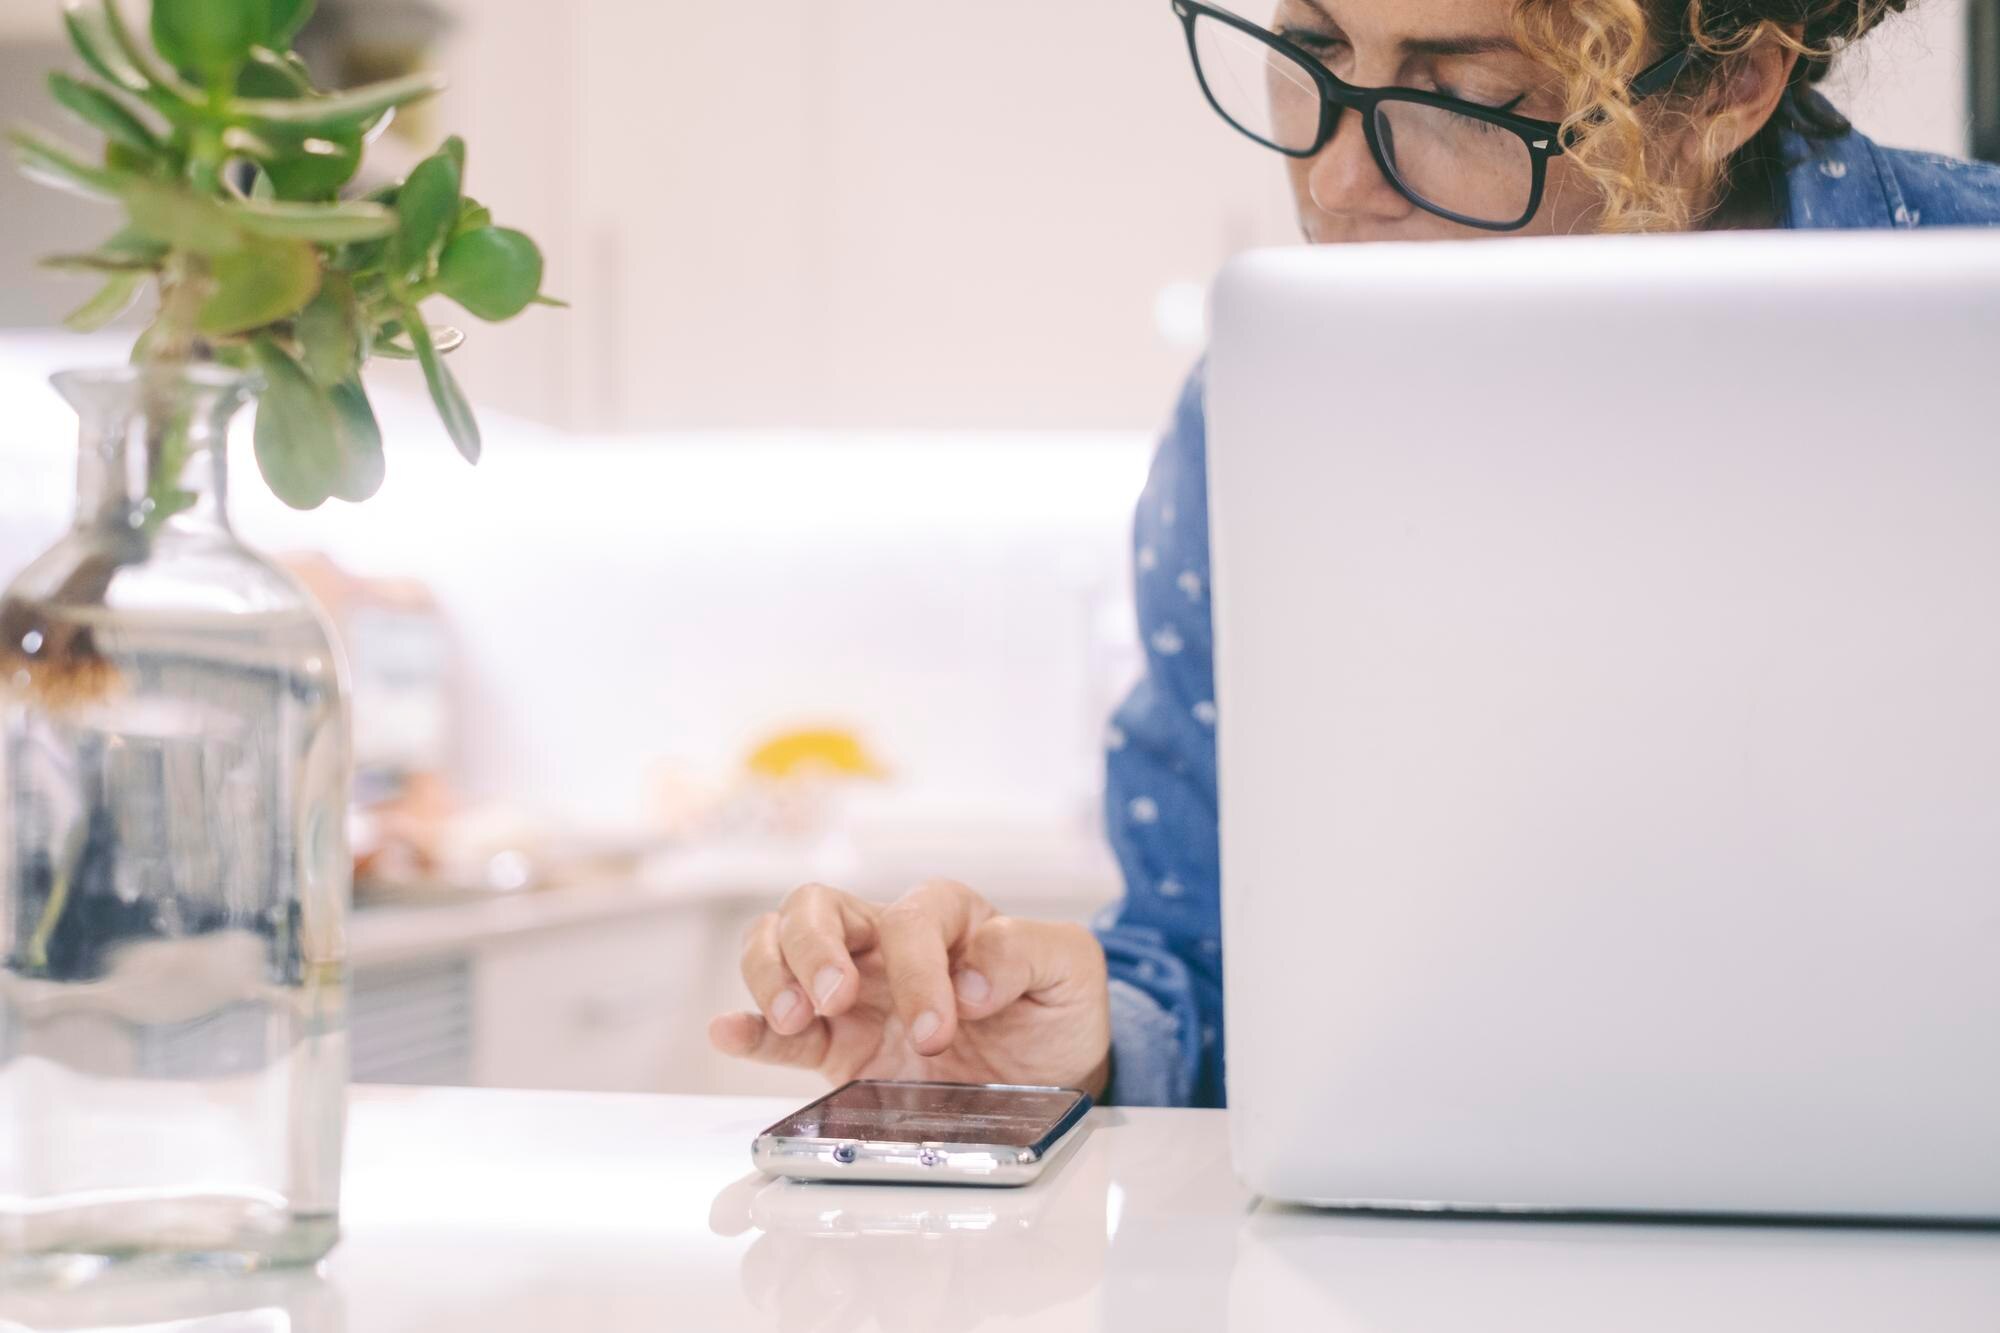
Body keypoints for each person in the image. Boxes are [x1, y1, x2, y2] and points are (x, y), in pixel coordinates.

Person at [710, 0, 2000, 1108]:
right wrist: (1071, 1027)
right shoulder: (1266, 412)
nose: (1335, 181)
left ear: (1724, 87)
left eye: (1468, 93)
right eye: (1313, 47)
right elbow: (1215, 954)